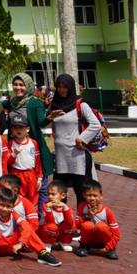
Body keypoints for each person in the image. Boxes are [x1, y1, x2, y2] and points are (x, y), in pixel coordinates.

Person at [45, 73, 102, 206]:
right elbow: (46, 123)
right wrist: (49, 116)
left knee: (81, 193)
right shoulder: (54, 105)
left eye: (65, 87)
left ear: (70, 87)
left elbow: (96, 124)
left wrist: (81, 139)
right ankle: (60, 218)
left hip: (77, 155)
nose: (62, 90)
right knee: (58, 194)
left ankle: (82, 218)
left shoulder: (80, 104)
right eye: (59, 87)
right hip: (61, 157)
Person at [3, 72, 54, 218]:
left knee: (40, 188)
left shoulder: (34, 103)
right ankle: (19, 217)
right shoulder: (11, 103)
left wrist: (49, 118)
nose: (18, 87)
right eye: (15, 84)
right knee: (17, 188)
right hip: (16, 148)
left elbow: (40, 122)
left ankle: (40, 218)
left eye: (21, 85)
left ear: (28, 86)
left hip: (33, 148)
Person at [0, 186, 60, 268]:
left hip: (12, 246)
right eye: (2, 205)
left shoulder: (14, 215)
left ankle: (42, 253)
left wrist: (21, 243)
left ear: (13, 206)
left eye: (8, 206)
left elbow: (27, 228)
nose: (4, 209)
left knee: (26, 228)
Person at [76, 180, 121, 259]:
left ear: (101, 195)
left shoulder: (107, 211)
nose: (92, 198)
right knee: (88, 225)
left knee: (101, 226)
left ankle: (110, 250)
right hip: (90, 241)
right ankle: (84, 246)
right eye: (89, 195)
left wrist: (108, 247)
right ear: (84, 195)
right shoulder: (82, 207)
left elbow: (117, 234)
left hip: (104, 242)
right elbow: (76, 225)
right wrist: (86, 217)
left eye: (95, 195)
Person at [7, 113, 43, 208]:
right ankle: (18, 216)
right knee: (16, 198)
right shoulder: (10, 144)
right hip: (16, 173)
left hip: (31, 174)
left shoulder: (33, 143)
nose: (18, 130)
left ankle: (32, 216)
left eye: (21, 127)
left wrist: (39, 177)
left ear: (27, 129)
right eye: (15, 128)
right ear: (12, 130)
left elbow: (37, 161)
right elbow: (7, 162)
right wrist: (14, 154)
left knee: (32, 199)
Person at [38, 180, 76, 251]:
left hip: (58, 233)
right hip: (45, 232)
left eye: (53, 194)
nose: (50, 196)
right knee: (52, 226)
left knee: (72, 225)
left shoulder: (66, 207)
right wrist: (48, 209)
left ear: (63, 195)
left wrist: (65, 208)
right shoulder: (45, 206)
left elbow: (70, 222)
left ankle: (64, 242)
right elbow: (50, 222)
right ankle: (47, 243)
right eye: (48, 194)